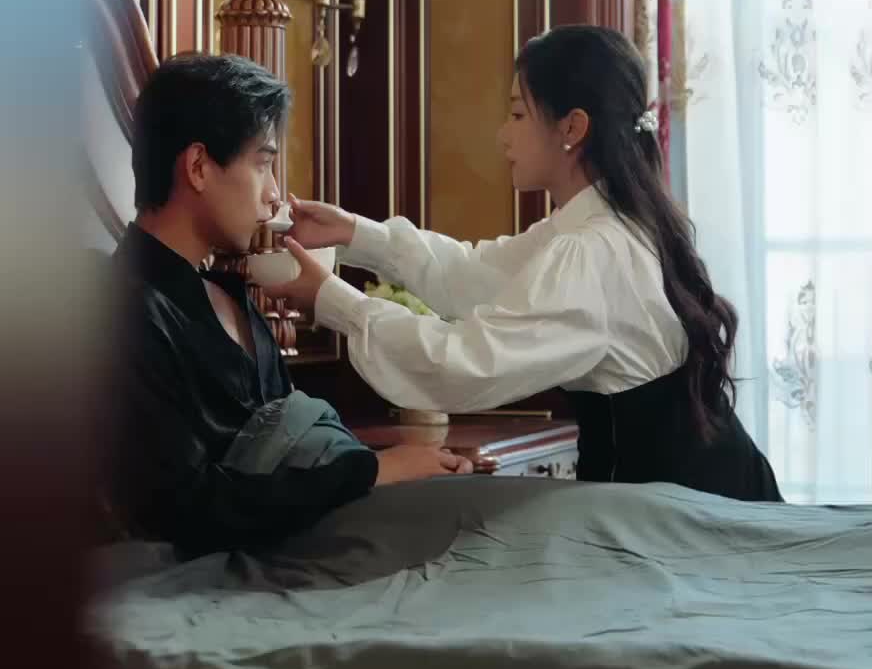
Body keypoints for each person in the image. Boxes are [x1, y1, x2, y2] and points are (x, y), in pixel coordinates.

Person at [280, 25, 782, 502]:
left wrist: (332, 300)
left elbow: (464, 364)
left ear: (573, 127)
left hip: (693, 512)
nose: (503, 135)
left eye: (518, 115)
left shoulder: (595, 250)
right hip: (687, 497)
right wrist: (353, 233)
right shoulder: (598, 227)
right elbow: (472, 275)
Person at [105, 51, 475, 556]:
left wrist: (396, 468)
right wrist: (372, 470)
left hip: (303, 547)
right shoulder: (123, 313)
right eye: (263, 164)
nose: (274, 194)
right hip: (208, 574)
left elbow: (293, 450)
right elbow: (185, 509)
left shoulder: (229, 295)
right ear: (198, 167)